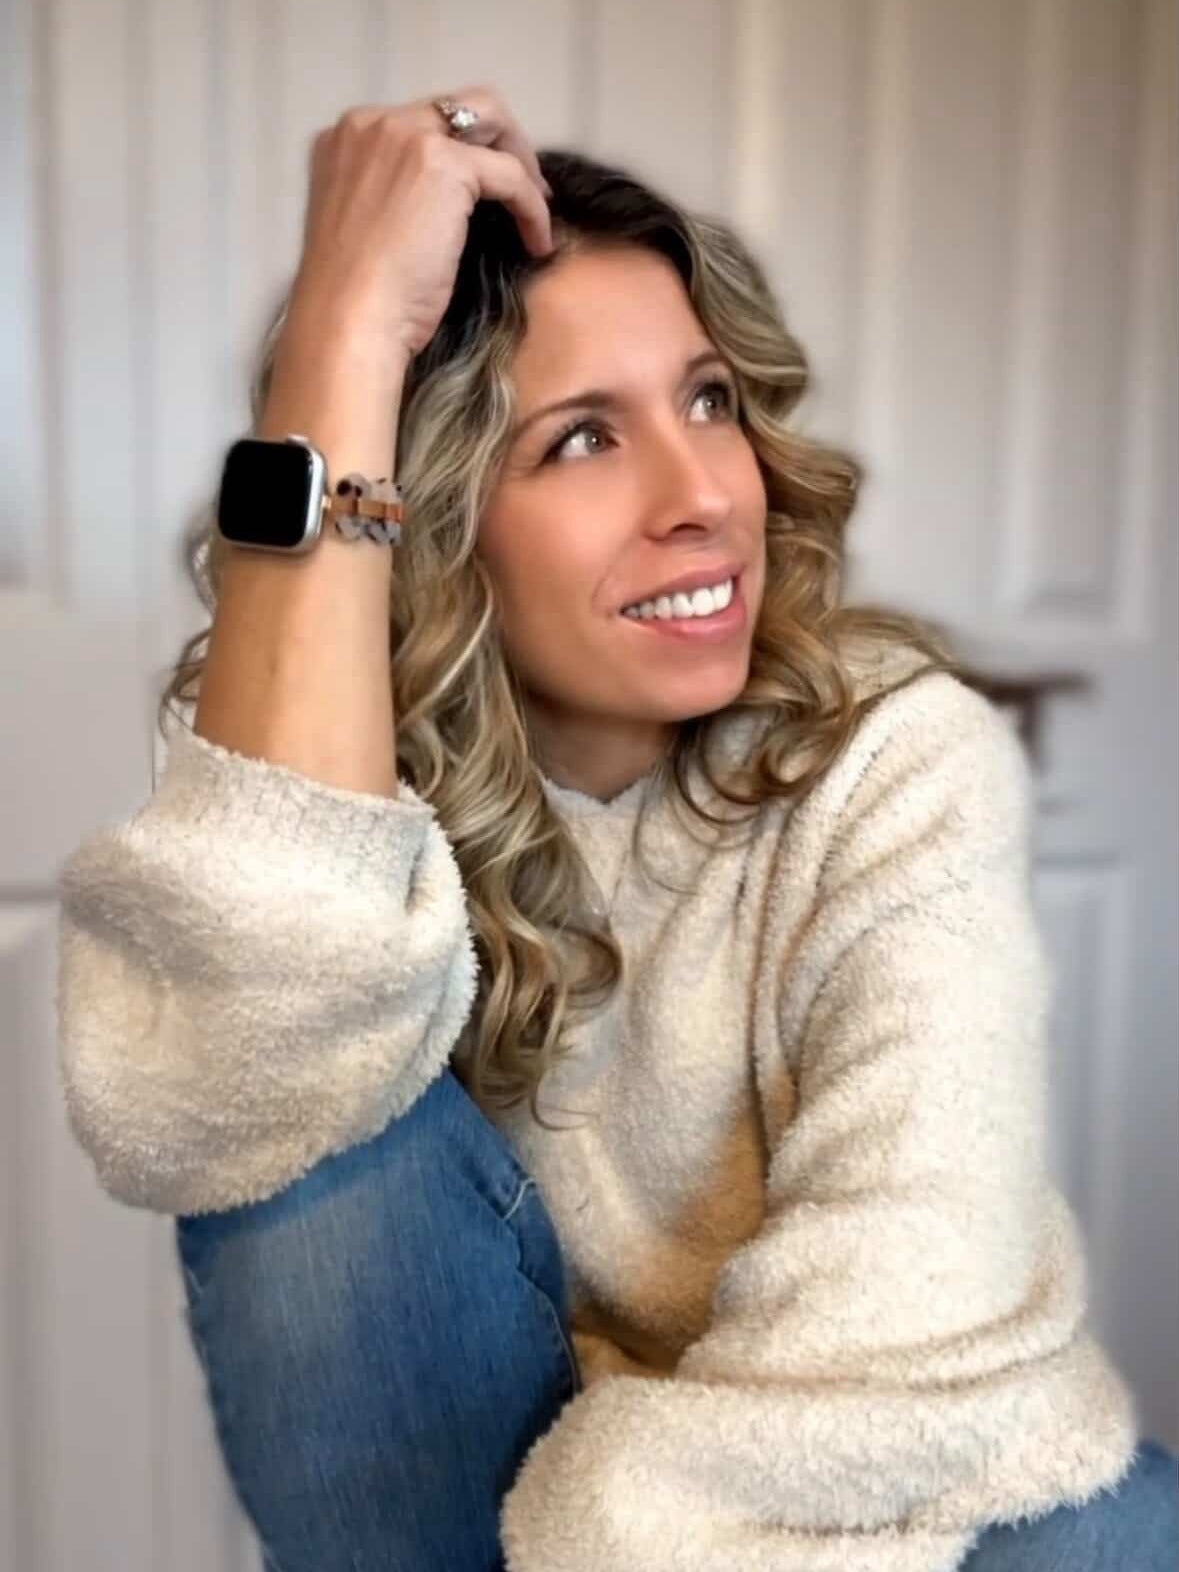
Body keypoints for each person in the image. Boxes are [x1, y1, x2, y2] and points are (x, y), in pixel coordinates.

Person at [56, 86, 1177, 1571]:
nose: (703, 494)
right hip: (499, 1498)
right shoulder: (342, 800)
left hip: (842, 1479)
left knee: (1116, 1536)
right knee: (288, 1122)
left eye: (708, 402)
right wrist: (343, 330)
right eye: (584, 439)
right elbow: (213, 1088)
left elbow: (902, 1327)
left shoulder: (898, 761)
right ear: (432, 515)